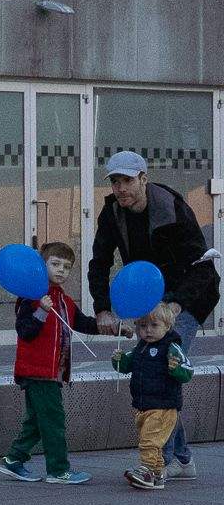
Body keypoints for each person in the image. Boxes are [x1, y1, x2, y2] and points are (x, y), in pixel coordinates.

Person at [88, 150, 218, 480]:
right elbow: (99, 262)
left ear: (144, 179)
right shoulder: (112, 212)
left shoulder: (172, 209)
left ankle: (159, 462)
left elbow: (202, 267)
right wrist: (102, 307)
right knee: (153, 368)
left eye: (128, 180)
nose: (120, 188)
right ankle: (182, 459)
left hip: (188, 296)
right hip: (148, 295)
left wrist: (176, 305)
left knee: (162, 367)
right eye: (115, 182)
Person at [0, 241, 98, 486]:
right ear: (41, 266)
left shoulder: (63, 299)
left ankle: (13, 460)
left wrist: (115, 328)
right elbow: (25, 331)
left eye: (67, 267)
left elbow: (82, 323)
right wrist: (41, 311)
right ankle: (58, 469)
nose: (61, 270)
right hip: (37, 372)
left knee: (36, 421)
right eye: (55, 264)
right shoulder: (30, 297)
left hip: (52, 372)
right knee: (53, 420)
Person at [113, 304, 194, 491]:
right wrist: (118, 360)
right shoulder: (141, 348)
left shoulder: (171, 347)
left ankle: (146, 471)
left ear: (167, 326)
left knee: (149, 441)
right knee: (153, 442)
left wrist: (177, 369)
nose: (148, 330)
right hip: (144, 405)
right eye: (142, 326)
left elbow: (188, 371)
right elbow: (126, 364)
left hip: (164, 406)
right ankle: (157, 475)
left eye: (154, 325)